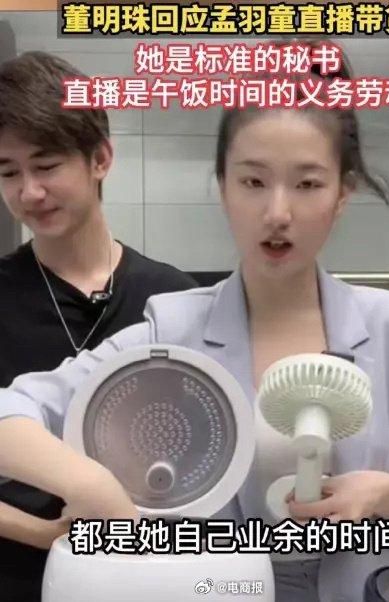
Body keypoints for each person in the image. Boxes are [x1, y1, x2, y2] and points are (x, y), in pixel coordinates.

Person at [0, 43, 389, 602]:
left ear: (344, 192)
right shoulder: (171, 326)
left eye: (308, 184)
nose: (277, 213)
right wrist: (89, 483)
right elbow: (12, 410)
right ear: (222, 186)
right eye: (253, 182)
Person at [0, 51, 196, 602]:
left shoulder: (175, 300)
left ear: (100, 158)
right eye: (9, 172)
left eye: (46, 166)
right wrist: (45, 534)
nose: (29, 192)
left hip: (151, 579)